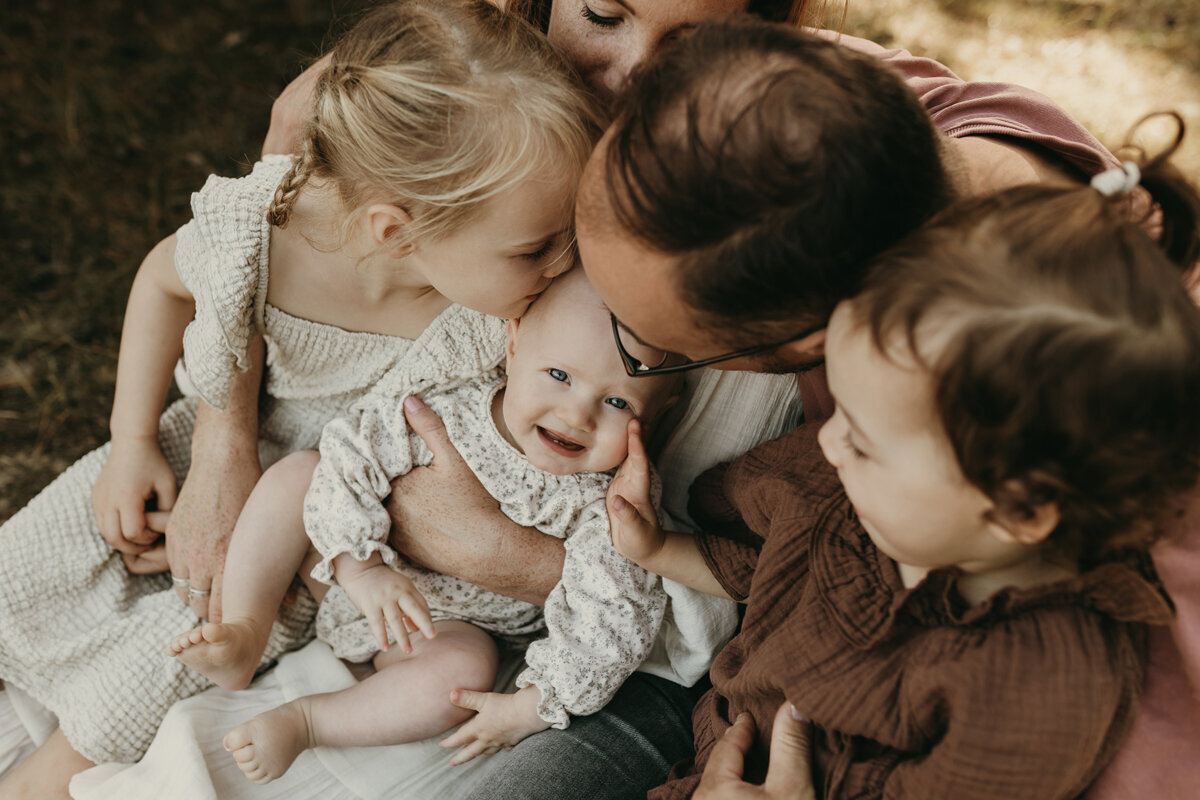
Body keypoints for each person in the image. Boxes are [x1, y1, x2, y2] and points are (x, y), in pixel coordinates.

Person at [61, 13, 1145, 800]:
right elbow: (297, 177)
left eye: (638, 350)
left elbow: (728, 593)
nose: (543, 317)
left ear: (791, 356)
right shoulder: (710, 122)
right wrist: (227, 441)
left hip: (655, 682)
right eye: (601, 12)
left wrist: (528, 559)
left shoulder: (940, 403)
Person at [0, 2, 599, 796]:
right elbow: (160, 282)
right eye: (535, 246)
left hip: (309, 535)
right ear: (396, 231)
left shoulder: (493, 320)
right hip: (196, 455)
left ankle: (41, 779)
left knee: (171, 652)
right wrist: (133, 437)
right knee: (37, 570)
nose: (565, 263)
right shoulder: (271, 231)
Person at [606, 138, 1200, 797]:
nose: (826, 444)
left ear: (1019, 508)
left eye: (861, 439)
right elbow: (763, 570)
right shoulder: (854, 501)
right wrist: (660, 549)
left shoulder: (1037, 693)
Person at [166, 268, 680, 784]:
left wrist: (535, 705)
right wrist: (360, 566)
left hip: (437, 633)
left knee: (465, 672)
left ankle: (307, 721)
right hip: (350, 567)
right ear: (515, 341)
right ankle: (245, 629)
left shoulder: (610, 499)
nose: (576, 415)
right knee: (303, 472)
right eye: (560, 375)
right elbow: (351, 453)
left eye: (618, 402)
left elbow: (613, 615)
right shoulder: (451, 407)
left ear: (659, 414)